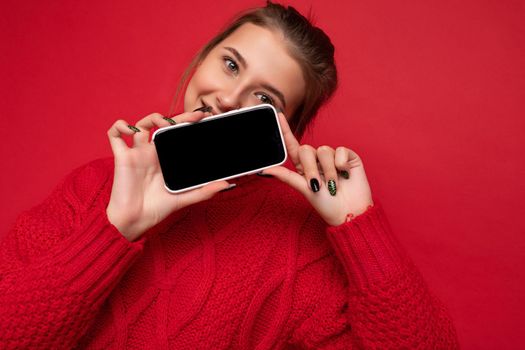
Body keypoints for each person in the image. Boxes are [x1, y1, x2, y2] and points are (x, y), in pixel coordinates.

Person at [0, 1, 459, 349]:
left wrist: (360, 228)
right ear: (203, 58)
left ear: (284, 130)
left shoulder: (293, 238)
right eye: (231, 64)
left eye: (266, 99)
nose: (228, 97)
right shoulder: (93, 186)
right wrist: (114, 229)